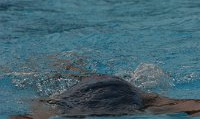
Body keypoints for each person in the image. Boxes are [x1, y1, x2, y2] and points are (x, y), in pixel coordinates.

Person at [10, 65, 200, 119]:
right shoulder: (148, 99)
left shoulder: (64, 102)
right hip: (124, 96)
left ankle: (65, 65)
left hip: (114, 96)